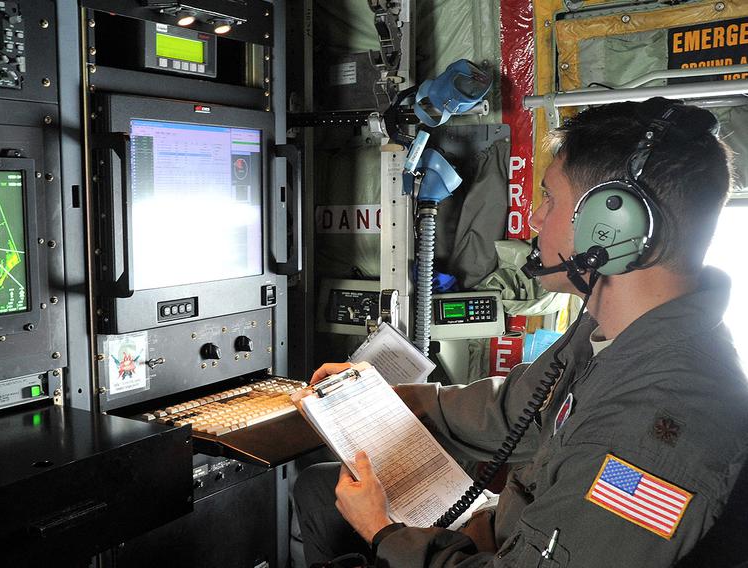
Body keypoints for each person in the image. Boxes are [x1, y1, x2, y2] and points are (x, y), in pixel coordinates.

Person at [294, 98, 748, 567]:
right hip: (512, 530)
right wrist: (384, 398)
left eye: (549, 197)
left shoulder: (655, 434)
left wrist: (382, 531)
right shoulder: (611, 329)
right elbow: (513, 409)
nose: (532, 218)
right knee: (318, 487)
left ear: (611, 228)